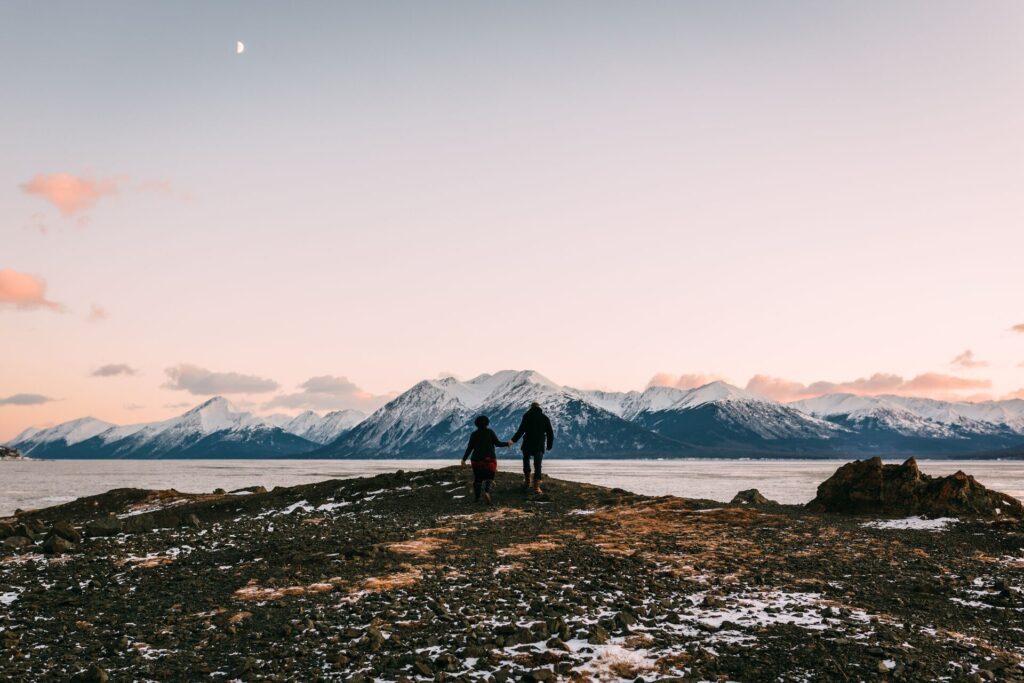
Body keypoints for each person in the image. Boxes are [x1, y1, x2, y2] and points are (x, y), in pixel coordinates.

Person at [461, 415, 511, 505]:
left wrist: (464, 459)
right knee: (489, 477)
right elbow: (497, 443)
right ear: (487, 423)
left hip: (476, 460)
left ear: (476, 424)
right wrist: (507, 444)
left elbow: (470, 448)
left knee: (477, 479)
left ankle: (477, 498)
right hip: (489, 460)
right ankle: (486, 491)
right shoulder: (490, 432)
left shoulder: (474, 434)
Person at [510, 401, 554, 494]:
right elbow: (550, 433)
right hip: (539, 444)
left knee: (526, 461)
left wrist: (513, 440)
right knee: (538, 465)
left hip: (527, 443)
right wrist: (549, 445)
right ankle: (536, 487)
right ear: (539, 408)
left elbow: (521, 430)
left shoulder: (526, 416)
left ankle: (527, 481)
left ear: (531, 407)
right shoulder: (545, 418)